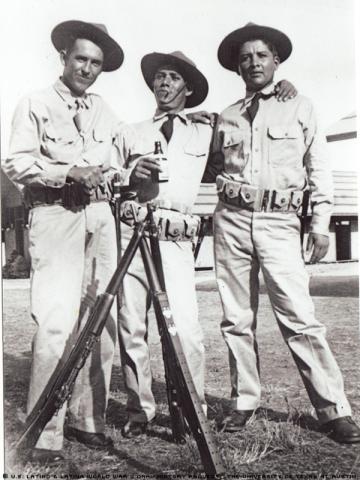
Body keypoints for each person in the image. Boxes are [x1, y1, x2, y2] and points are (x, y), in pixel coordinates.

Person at [114, 50, 296, 438]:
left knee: (187, 330)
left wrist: (281, 89)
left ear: (189, 88)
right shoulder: (130, 131)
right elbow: (113, 179)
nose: (164, 83)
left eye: (174, 78)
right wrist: (129, 173)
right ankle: (139, 410)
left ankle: (190, 408)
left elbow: (240, 140)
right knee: (131, 327)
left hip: (175, 239)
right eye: (159, 77)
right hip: (133, 237)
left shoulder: (205, 129)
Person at [203, 22, 360, 444]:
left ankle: (333, 409)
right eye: (245, 58)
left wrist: (321, 223)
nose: (253, 62)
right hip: (231, 220)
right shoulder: (228, 115)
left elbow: (318, 169)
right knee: (236, 318)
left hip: (280, 222)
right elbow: (212, 166)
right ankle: (243, 401)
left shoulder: (300, 106)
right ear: (237, 68)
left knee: (300, 318)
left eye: (261, 55)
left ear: (276, 60)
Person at [4, 20, 125, 464]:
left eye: (96, 63)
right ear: (63, 57)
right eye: (81, 59)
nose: (88, 69)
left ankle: (87, 419)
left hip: (100, 217)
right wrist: (65, 172)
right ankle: (44, 431)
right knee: (57, 322)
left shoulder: (106, 112)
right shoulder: (35, 103)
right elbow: (16, 161)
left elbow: (116, 164)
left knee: (101, 319)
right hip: (55, 213)